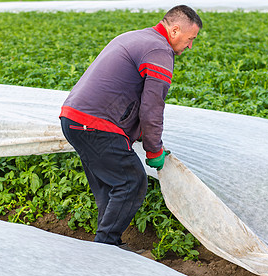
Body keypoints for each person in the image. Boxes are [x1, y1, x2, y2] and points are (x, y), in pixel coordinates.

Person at [59, 5, 202, 249]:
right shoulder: (159, 51)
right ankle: (106, 247)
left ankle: (105, 246)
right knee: (132, 182)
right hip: (96, 124)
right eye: (190, 39)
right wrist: (154, 149)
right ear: (175, 30)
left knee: (109, 187)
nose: (190, 46)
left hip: (73, 119)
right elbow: (152, 108)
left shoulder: (135, 36)